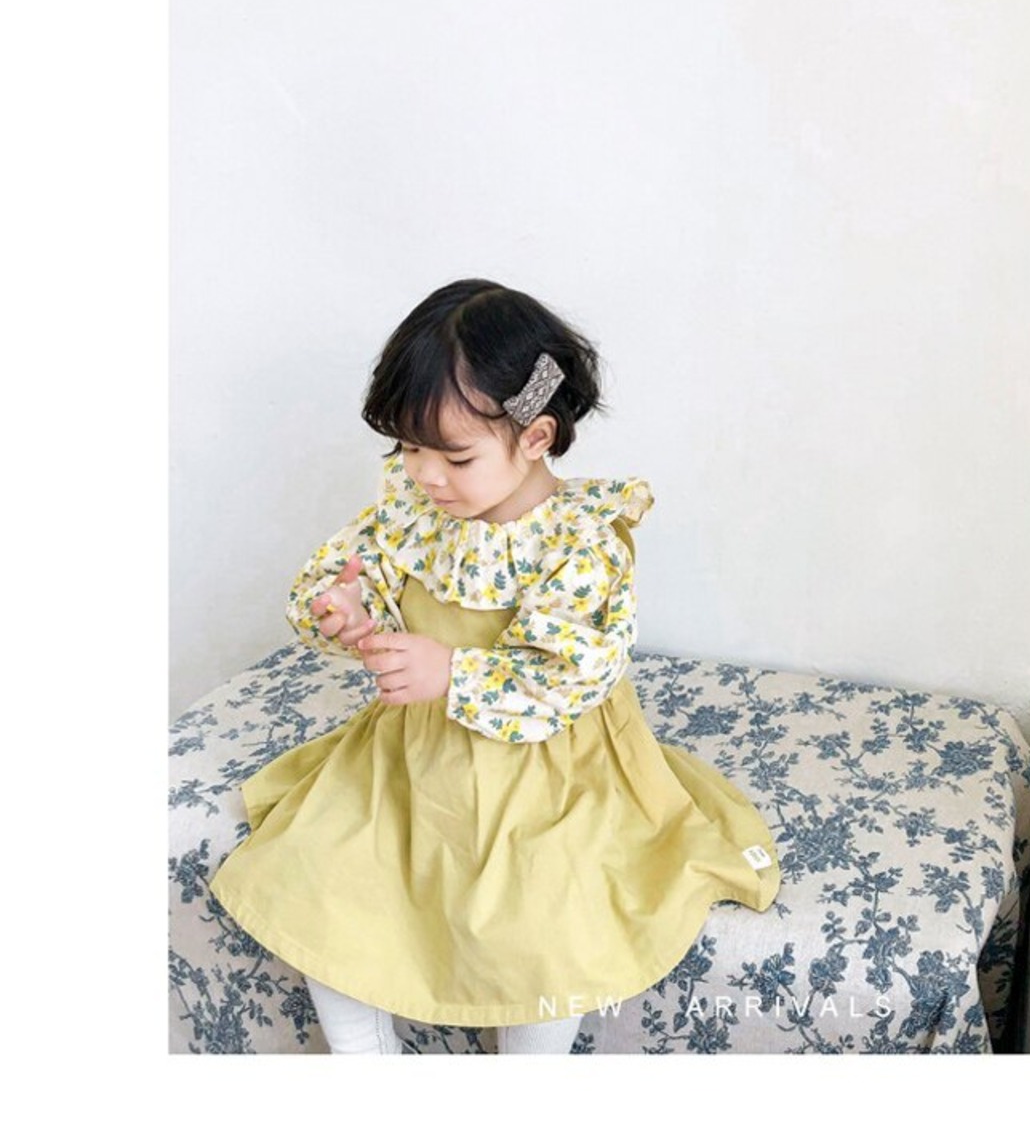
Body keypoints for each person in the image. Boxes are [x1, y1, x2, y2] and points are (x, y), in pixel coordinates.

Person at [209, 277, 782, 1055]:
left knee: (543, 921)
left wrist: (452, 671)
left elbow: (570, 675)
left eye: (454, 455)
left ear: (536, 437)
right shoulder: (416, 511)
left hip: (551, 768)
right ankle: (364, 1058)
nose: (425, 473)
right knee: (317, 879)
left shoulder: (578, 542)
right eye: (408, 447)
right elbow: (361, 577)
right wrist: (345, 611)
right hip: (412, 753)